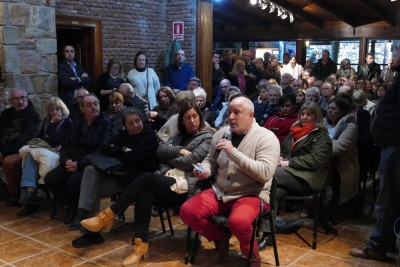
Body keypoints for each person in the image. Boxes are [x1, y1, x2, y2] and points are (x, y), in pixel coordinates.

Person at [80, 101, 215, 266]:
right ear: (182, 120)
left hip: (188, 186)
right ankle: (140, 244)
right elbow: (159, 152)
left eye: (195, 116)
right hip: (168, 179)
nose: (192, 121)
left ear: (200, 117)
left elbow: (191, 161)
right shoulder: (179, 136)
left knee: (146, 178)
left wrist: (171, 157)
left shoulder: (207, 137)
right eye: (188, 117)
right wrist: (178, 151)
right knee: (145, 193)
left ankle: (108, 215)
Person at [179, 95, 280, 267]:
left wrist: (233, 152)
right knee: (187, 211)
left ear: (250, 115)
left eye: (236, 112)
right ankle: (220, 236)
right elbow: (210, 160)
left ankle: (252, 254)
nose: (231, 117)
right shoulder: (221, 134)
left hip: (252, 193)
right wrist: (204, 171)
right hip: (221, 190)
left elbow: (264, 173)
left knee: (238, 222)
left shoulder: (267, 138)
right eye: (229, 112)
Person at [69, 108, 159, 246]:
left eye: (137, 121)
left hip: (136, 181)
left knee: (93, 188)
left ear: (142, 120)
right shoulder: (123, 135)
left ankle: (91, 232)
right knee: (90, 170)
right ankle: (83, 213)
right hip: (119, 176)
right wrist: (123, 149)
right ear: (125, 125)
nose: (135, 125)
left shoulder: (149, 136)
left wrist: (120, 152)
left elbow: (135, 158)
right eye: (130, 123)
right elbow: (105, 148)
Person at [349, 42, 400, 261]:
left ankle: (378, 245)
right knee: (391, 198)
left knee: (387, 199)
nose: (393, 56)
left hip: (396, 148)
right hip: (391, 147)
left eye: (397, 52)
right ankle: (385, 241)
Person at [44, 94, 116, 225]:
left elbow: (102, 151)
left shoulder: (106, 124)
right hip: (73, 161)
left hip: (90, 164)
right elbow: (66, 145)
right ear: (82, 108)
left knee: (73, 182)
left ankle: (79, 211)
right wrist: (65, 160)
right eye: (89, 105)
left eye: (96, 104)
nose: (94, 107)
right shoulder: (76, 122)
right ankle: (70, 205)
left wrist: (80, 164)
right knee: (51, 178)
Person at [17, 97, 72, 216]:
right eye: (52, 110)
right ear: (48, 112)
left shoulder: (67, 122)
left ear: (62, 109)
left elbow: (53, 140)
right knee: (30, 156)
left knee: (31, 156)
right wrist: (50, 133)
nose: (55, 112)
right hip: (46, 150)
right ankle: (31, 196)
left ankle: (30, 196)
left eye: (57, 109)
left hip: (59, 153)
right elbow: (41, 138)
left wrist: (52, 126)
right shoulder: (46, 121)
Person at [0, 88, 42, 207]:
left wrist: (4, 152)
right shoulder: (6, 114)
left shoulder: (34, 115)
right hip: (5, 146)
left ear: (27, 98)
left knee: (9, 162)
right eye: (16, 99)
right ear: (11, 101)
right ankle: (3, 189)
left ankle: (13, 193)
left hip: (23, 149)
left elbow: (27, 138)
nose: (20, 101)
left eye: (23, 98)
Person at [324, 97, 359, 215]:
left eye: (333, 108)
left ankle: (329, 206)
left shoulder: (349, 126)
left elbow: (338, 148)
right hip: (323, 160)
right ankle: (311, 205)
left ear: (342, 111)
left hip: (342, 165)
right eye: (328, 108)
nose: (329, 110)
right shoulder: (323, 124)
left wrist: (319, 147)